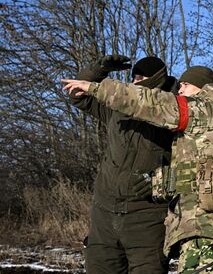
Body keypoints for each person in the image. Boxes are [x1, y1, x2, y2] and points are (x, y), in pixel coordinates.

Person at [62, 65, 213, 274]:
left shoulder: (203, 108)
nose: (181, 90)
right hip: (204, 225)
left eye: (186, 85)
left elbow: (151, 103)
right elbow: (211, 173)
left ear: (202, 88)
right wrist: (164, 180)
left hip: (208, 226)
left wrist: (97, 87)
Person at [68, 55, 177, 274]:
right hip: (105, 214)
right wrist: (97, 70)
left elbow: (190, 165)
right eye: (133, 77)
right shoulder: (117, 107)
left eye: (141, 77)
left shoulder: (173, 113)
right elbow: (78, 95)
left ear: (156, 80)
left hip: (147, 218)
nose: (135, 81)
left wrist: (165, 179)